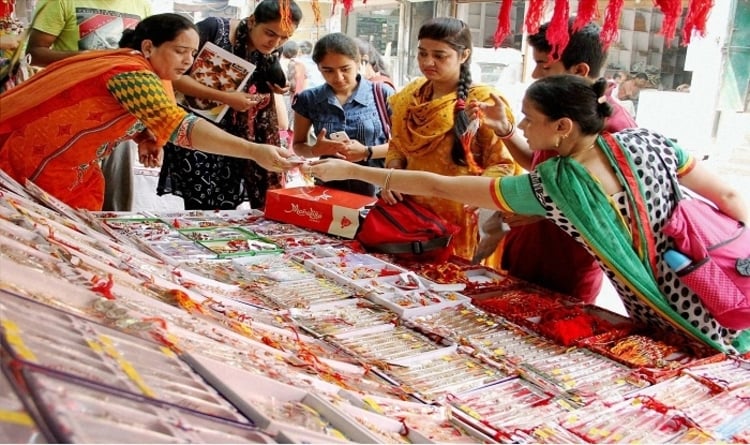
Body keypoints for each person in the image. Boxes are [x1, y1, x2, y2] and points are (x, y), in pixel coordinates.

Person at [305, 75, 750, 354]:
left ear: (563, 127)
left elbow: (443, 186)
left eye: (530, 119)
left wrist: (350, 169)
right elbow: (728, 194)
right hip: (719, 276)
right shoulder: (651, 141)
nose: (522, 127)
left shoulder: (553, 185)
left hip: (671, 310)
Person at [0, 13, 295, 211]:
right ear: (148, 47)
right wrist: (252, 150)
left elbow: (115, 109)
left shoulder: (139, 69)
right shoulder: (130, 71)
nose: (188, 62)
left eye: (192, 53)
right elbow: (180, 125)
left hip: (70, 164)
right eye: (180, 51)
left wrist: (143, 135)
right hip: (37, 160)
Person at [477, 20, 638, 305]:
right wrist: (505, 130)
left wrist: (543, 212)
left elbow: (609, 208)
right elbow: (538, 169)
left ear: (579, 71)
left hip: (566, 266)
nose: (536, 74)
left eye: (545, 66)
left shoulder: (614, 129)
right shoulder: (558, 113)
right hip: (526, 249)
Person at [382, 17, 519, 261]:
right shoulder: (410, 96)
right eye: (422, 53)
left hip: (458, 217)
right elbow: (398, 145)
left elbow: (503, 163)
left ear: (463, 55)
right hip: (409, 215)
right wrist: (392, 175)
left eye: (439, 55)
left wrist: (479, 193)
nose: (427, 62)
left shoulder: (483, 100)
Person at [156, 0, 303, 210]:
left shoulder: (269, 53)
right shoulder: (214, 30)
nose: (275, 42)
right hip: (199, 129)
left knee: (227, 202)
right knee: (201, 203)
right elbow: (172, 76)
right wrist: (225, 97)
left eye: (284, 38)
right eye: (270, 33)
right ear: (252, 21)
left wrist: (275, 88)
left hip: (238, 137)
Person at [26, 0, 153, 212]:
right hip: (69, 118)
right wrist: (88, 59)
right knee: (64, 196)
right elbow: (34, 53)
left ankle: (109, 243)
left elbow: (146, 58)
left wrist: (145, 128)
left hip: (120, 116)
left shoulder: (141, 5)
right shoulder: (61, 2)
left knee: (114, 199)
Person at [291, 33, 394, 197]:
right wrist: (315, 150)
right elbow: (298, 146)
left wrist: (367, 151)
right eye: (328, 70)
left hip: (376, 192)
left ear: (359, 61)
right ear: (318, 67)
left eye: (345, 69)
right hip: (327, 191)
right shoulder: (308, 99)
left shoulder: (382, 94)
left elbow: (404, 147)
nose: (338, 77)